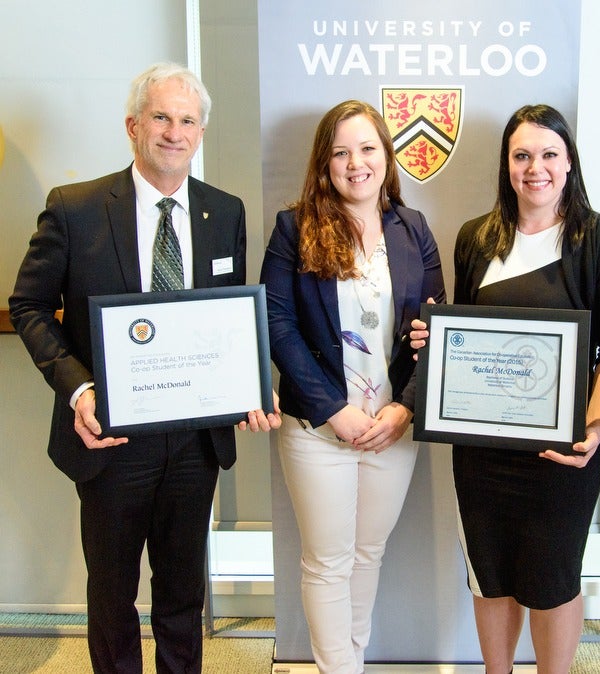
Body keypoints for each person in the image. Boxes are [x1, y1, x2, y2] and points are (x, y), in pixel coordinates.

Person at [8, 62, 281, 674]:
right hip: (110, 435)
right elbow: (28, 305)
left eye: (187, 120)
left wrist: (247, 386)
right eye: (161, 116)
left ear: (201, 133)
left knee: (183, 593)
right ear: (134, 125)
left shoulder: (225, 211)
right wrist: (77, 387)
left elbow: (228, 319)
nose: (173, 131)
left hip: (194, 441)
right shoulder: (74, 209)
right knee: (112, 595)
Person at [414, 104, 600, 673]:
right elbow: (462, 336)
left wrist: (594, 429)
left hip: (563, 453)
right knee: (489, 576)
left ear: (569, 163)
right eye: (521, 156)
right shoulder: (476, 238)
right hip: (482, 450)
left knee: (553, 578)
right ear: (506, 165)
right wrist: (432, 337)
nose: (534, 168)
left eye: (547, 154)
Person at [260, 99, 446, 674]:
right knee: (327, 562)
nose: (355, 162)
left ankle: (352, 663)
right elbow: (277, 325)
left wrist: (405, 410)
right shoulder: (295, 227)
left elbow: (437, 327)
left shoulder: (413, 229)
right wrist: (332, 409)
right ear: (324, 162)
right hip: (320, 429)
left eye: (367, 148)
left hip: (393, 427)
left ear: (387, 157)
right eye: (341, 151)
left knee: (368, 555)